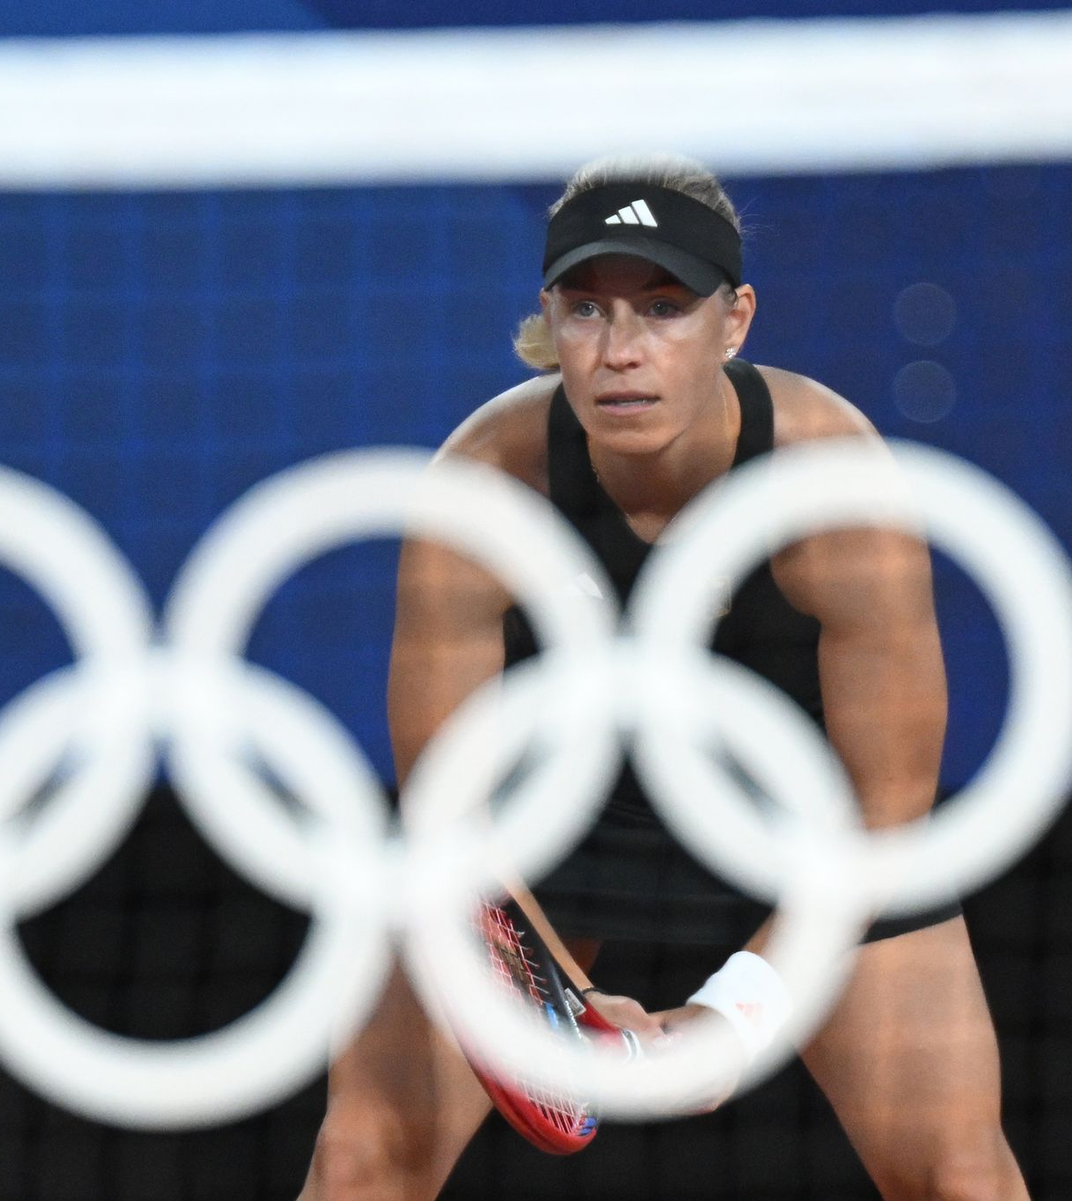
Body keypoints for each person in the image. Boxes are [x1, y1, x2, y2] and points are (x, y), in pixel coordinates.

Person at [297, 155, 1028, 1201]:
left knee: (959, 1174)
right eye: (588, 309)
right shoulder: (481, 488)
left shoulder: (832, 481)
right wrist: (568, 1001)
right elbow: (445, 809)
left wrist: (739, 1013)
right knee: (365, 1158)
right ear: (551, 320)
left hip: (802, 821)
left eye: (665, 308)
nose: (622, 351)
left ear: (736, 322)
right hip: (551, 822)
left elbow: (889, 800)